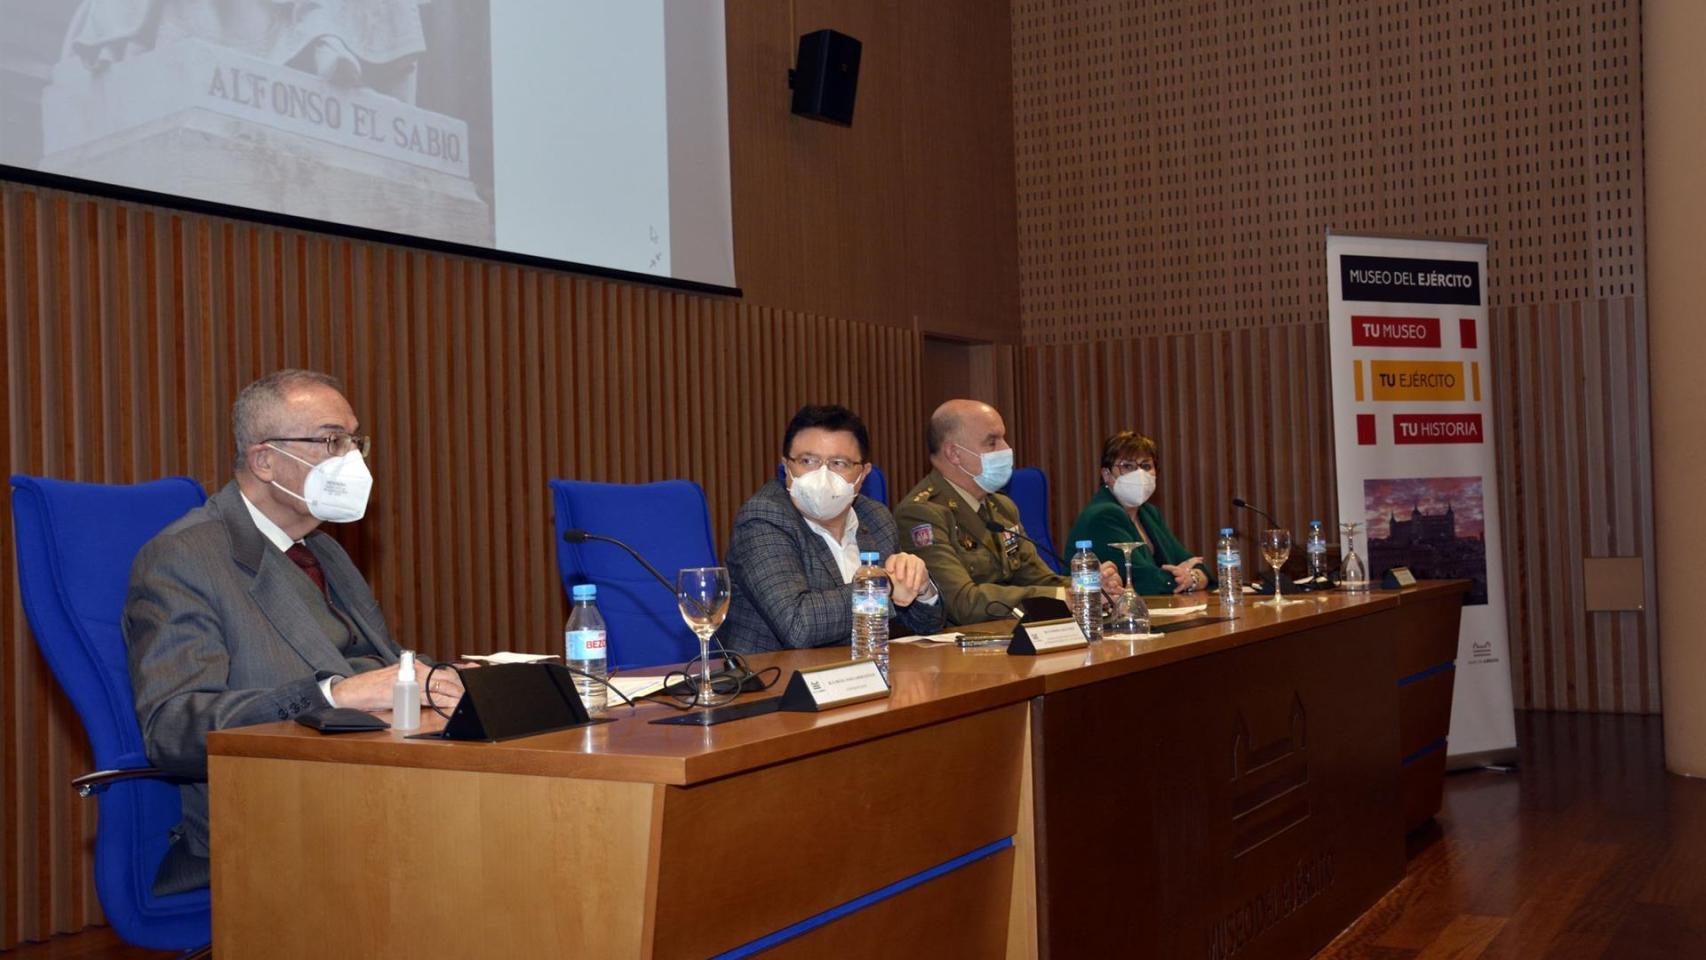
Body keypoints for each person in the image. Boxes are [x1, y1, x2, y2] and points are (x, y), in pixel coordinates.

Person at [124, 369, 464, 895]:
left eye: (356, 441)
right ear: (264, 460)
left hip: (368, 790)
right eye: (333, 440)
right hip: (266, 824)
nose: (354, 460)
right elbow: (172, 730)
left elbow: (376, 664)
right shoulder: (185, 556)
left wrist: (439, 682)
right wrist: (334, 694)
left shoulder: (322, 550)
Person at [721, 405, 944, 653]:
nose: (822, 476)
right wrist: (881, 586)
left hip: (863, 676)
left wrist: (922, 587)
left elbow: (926, 625)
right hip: (778, 683)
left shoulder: (875, 518)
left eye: (839, 463)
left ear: (863, 474)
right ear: (786, 466)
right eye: (807, 461)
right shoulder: (763, 518)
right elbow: (798, 625)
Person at [895, 399, 1121, 626]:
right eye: (992, 442)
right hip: (962, 648)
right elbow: (962, 602)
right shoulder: (922, 513)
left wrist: (1085, 587)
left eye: (1003, 438)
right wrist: (1064, 597)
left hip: (1014, 634)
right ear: (955, 454)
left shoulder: (1002, 506)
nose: (1006, 449)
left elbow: (1036, 577)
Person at [1067, 431, 1213, 595]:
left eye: (1146, 466)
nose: (1139, 474)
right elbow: (1142, 581)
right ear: (1106, 474)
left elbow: (1198, 564)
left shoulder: (1149, 513)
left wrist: (1193, 575)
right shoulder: (1103, 515)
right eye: (1127, 466)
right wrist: (1188, 577)